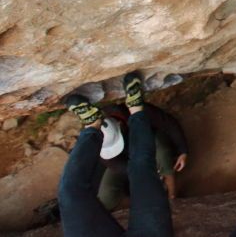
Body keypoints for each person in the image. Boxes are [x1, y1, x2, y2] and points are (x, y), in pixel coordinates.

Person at [58, 73, 174, 237]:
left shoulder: (118, 122)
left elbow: (168, 125)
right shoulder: (110, 159)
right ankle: (136, 108)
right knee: (142, 169)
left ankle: (92, 124)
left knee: (70, 191)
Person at [96, 101, 189, 208]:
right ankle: (141, 207)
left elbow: (168, 123)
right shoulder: (96, 139)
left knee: (163, 154)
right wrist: (145, 174)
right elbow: (118, 166)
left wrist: (183, 151)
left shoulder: (134, 110)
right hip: (126, 160)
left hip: (150, 141)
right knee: (106, 196)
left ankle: (172, 198)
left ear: (121, 125)